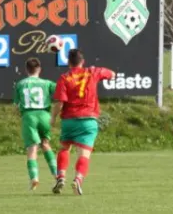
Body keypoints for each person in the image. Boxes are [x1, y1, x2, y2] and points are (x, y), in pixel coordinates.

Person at [50, 49, 115, 195]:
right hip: (88, 120)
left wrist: (53, 117)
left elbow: (60, 102)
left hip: (69, 120)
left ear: (68, 63)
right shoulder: (92, 72)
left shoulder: (64, 77)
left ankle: (60, 177)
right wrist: (99, 73)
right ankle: (78, 179)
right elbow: (112, 74)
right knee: (84, 154)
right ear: (82, 61)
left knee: (64, 148)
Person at [13, 58, 58, 191]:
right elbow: (61, 91)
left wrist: (21, 115)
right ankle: (56, 174)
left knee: (32, 149)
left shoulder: (20, 84)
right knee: (45, 144)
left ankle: (34, 178)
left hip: (29, 116)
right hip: (45, 115)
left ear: (26, 69)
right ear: (39, 69)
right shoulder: (47, 83)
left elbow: (16, 106)